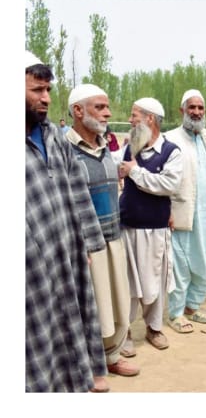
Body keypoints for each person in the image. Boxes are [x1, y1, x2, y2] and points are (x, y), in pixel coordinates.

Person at [26, 56, 109, 392]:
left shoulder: (53, 137)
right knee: (36, 336)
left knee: (70, 319)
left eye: (48, 89)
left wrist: (87, 242)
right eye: (36, 90)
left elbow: (77, 187)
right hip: (30, 267)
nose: (46, 97)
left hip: (66, 251)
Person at [65, 83, 137, 382]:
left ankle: (111, 356)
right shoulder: (64, 149)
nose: (108, 113)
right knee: (90, 307)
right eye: (100, 107)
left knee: (116, 302)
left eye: (107, 107)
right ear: (78, 111)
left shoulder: (106, 147)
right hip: (85, 245)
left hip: (113, 237)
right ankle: (90, 367)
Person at [119, 97, 184, 353]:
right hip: (127, 227)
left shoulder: (171, 152)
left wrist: (134, 172)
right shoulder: (129, 149)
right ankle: (123, 333)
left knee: (154, 281)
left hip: (155, 229)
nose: (130, 120)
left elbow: (169, 185)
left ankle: (154, 328)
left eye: (135, 115)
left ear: (150, 119)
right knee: (126, 284)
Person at [165, 90, 206, 331]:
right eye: (192, 107)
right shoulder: (170, 139)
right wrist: (166, 211)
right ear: (182, 110)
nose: (197, 112)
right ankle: (176, 313)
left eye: (201, 108)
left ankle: (192, 307)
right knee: (180, 265)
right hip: (182, 212)